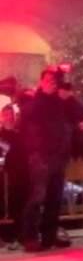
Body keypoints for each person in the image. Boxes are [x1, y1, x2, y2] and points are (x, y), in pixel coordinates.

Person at [17, 67, 83, 253]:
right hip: (40, 154)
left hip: (60, 154)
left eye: (54, 80)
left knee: (55, 198)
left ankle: (49, 236)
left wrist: (69, 98)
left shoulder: (62, 101)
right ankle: (30, 237)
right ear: (41, 81)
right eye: (48, 80)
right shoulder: (32, 98)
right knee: (37, 197)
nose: (52, 84)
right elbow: (28, 113)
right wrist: (43, 94)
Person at [1, 104, 24, 246]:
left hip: (18, 171)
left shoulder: (19, 132)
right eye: (6, 115)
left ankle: (17, 232)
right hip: (5, 171)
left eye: (11, 115)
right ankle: (6, 234)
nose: (9, 117)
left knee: (17, 201)